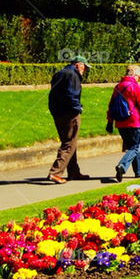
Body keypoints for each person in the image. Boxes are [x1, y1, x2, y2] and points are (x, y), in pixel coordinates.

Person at [47, 55, 92, 183]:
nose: (84, 70)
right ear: (78, 65)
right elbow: (71, 94)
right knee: (69, 144)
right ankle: (55, 172)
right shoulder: (73, 75)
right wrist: (78, 108)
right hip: (69, 113)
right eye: (84, 67)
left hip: (57, 113)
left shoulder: (59, 73)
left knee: (70, 142)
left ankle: (74, 172)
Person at [108, 64, 140, 182]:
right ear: (135, 75)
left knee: (132, 148)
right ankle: (122, 166)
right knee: (134, 148)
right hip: (134, 122)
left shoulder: (117, 87)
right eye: (139, 77)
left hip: (120, 122)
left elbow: (111, 105)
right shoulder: (135, 87)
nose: (139, 79)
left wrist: (110, 121)